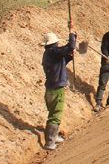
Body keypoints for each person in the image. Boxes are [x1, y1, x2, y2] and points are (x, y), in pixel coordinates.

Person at [40, 21, 77, 150]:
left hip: (50, 88)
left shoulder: (48, 54)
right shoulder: (54, 51)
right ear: (55, 44)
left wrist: (69, 56)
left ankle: (54, 137)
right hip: (56, 89)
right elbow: (70, 46)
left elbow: (61, 62)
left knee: (53, 112)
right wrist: (71, 31)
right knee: (55, 114)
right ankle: (50, 142)